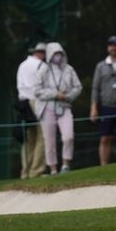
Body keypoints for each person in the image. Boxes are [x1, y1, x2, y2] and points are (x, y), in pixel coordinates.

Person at [34, 42, 82, 174]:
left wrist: (68, 96)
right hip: (47, 107)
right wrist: (55, 94)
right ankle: (53, 168)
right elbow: (37, 91)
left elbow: (78, 87)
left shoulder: (69, 69)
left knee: (68, 136)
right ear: (50, 54)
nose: (58, 56)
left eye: (60, 53)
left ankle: (66, 164)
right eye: (55, 54)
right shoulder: (43, 70)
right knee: (49, 140)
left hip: (64, 106)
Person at [90, 35, 116, 165]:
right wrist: (93, 108)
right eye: (111, 45)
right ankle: (104, 166)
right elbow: (95, 88)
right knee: (104, 138)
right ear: (108, 48)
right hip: (106, 106)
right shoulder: (101, 66)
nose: (114, 48)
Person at [15, 42, 48, 179]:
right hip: (37, 102)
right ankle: (37, 171)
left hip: (23, 103)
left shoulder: (22, 65)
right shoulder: (43, 66)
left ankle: (26, 172)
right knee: (43, 137)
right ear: (41, 53)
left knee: (29, 139)